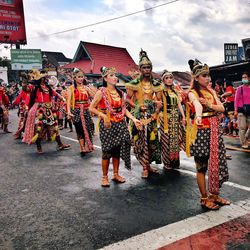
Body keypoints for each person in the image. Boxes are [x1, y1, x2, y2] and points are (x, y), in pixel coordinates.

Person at [186, 59, 230, 210]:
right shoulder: (192, 92)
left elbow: (222, 109)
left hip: (214, 129)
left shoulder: (211, 91)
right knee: (202, 166)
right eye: (204, 75)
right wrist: (198, 115)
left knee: (216, 163)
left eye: (208, 75)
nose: (208, 78)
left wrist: (210, 105)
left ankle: (214, 195)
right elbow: (197, 104)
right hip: (202, 130)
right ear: (196, 78)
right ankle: (204, 198)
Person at [89, 66, 142, 187]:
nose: (115, 78)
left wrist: (133, 119)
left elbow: (124, 110)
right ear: (105, 78)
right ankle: (104, 176)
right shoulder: (101, 92)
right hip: (108, 125)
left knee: (117, 150)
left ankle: (116, 174)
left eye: (115, 75)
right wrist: (103, 115)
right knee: (107, 151)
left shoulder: (120, 93)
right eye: (111, 75)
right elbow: (91, 108)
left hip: (120, 123)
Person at [126, 49, 162, 179]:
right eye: (144, 67)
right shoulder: (134, 84)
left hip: (151, 117)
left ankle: (148, 165)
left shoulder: (156, 84)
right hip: (139, 116)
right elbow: (128, 99)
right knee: (141, 141)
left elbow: (159, 102)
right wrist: (137, 106)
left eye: (149, 67)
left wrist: (156, 113)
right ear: (140, 69)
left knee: (152, 141)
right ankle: (144, 167)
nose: (147, 69)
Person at [22, 69, 70, 153]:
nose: (45, 79)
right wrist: (25, 79)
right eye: (43, 78)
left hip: (49, 109)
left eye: (45, 78)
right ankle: (39, 147)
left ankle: (60, 144)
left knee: (54, 127)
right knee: (39, 128)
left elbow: (55, 93)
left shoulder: (48, 87)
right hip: (38, 110)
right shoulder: (34, 88)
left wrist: (62, 98)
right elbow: (26, 90)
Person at [159, 70, 186, 170]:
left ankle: (175, 161)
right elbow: (157, 103)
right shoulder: (161, 91)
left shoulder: (175, 91)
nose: (169, 80)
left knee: (175, 139)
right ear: (163, 80)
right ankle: (167, 162)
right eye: (167, 78)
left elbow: (179, 104)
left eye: (171, 78)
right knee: (166, 140)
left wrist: (183, 117)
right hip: (165, 118)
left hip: (175, 118)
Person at [67, 68, 96, 156]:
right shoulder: (71, 88)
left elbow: (94, 97)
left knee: (89, 128)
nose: (81, 78)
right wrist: (68, 112)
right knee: (79, 129)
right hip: (76, 110)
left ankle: (88, 146)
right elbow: (68, 101)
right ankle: (82, 148)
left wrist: (92, 90)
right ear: (74, 78)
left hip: (86, 111)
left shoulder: (86, 88)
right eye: (79, 77)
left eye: (82, 77)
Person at [12, 73, 33, 139]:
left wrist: (14, 103)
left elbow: (17, 100)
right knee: (25, 120)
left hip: (28, 107)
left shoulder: (29, 89)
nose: (23, 84)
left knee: (24, 120)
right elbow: (18, 100)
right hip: (26, 107)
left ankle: (25, 133)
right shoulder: (30, 89)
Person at [234, 72, 250, 149]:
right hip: (241, 110)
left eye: (245, 77)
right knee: (242, 128)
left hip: (249, 110)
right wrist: (236, 110)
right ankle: (243, 143)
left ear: (249, 78)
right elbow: (236, 100)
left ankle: (246, 138)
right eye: (243, 77)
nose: (244, 79)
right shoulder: (239, 89)